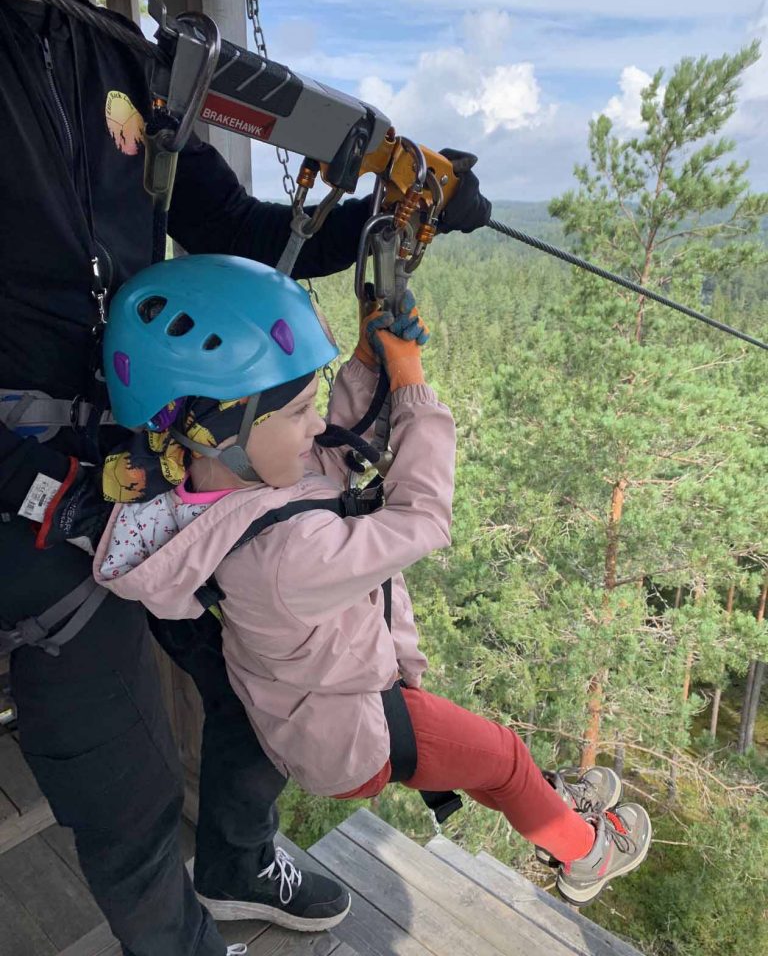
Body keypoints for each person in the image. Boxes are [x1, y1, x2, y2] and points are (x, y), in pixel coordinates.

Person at [0, 0, 492, 954]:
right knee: (130, 803)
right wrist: (60, 496)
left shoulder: (109, 51)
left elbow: (234, 225)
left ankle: (231, 855)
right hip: (39, 509)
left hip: (169, 467)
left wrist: (391, 214)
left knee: (256, 674)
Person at [90, 254, 653, 909]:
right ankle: (585, 853)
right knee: (501, 757)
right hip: (361, 730)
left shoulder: (232, 488)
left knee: (490, 765)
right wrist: (410, 382)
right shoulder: (282, 560)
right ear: (221, 429)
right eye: (301, 409)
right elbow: (421, 519)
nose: (314, 423)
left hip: (336, 701)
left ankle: (548, 800)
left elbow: (330, 456)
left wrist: (364, 362)